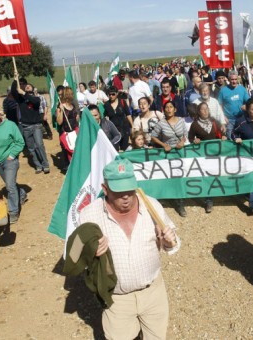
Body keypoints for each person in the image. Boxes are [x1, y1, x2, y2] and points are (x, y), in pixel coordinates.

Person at [78, 158, 180, 340]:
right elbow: (74, 254)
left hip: (153, 293)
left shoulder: (152, 206)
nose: (126, 196)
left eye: (129, 189)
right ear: (105, 189)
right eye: (119, 191)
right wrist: (90, 253)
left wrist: (169, 241)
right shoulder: (88, 215)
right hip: (117, 300)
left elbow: (172, 243)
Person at [0, 106, 27, 224]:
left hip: (10, 160)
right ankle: (22, 193)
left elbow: (20, 141)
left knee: (9, 186)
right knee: (10, 183)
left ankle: (13, 212)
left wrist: (12, 155)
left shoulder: (10, 125)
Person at [150, 101, 188, 217]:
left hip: (180, 152)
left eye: (171, 107)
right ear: (164, 110)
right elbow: (153, 137)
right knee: (169, 176)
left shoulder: (181, 121)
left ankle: (180, 203)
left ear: (175, 109)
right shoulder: (161, 124)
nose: (169, 109)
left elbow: (185, 134)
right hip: (168, 153)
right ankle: (167, 198)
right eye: (166, 107)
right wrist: (163, 145)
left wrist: (182, 142)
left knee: (180, 177)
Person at [188, 102, 226, 213]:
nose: (205, 111)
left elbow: (222, 133)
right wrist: (195, 141)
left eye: (206, 109)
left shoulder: (214, 121)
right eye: (202, 109)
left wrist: (224, 136)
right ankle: (209, 200)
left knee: (216, 175)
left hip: (216, 154)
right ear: (198, 112)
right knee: (207, 177)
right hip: (203, 156)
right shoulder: (194, 125)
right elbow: (190, 138)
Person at [12, 77, 51, 174]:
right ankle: (38, 165)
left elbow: (35, 101)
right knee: (31, 148)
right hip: (26, 127)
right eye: (26, 86)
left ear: (33, 89)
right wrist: (14, 80)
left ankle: (45, 165)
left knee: (39, 145)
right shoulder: (20, 100)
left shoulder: (36, 98)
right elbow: (13, 91)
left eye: (29, 86)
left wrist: (24, 93)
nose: (27, 86)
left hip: (36, 126)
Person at [218, 70, 250, 139]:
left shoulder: (242, 89)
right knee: (231, 138)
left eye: (235, 79)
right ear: (228, 79)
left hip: (241, 118)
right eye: (232, 79)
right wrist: (223, 116)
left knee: (243, 137)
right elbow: (219, 105)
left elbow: (249, 101)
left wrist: (246, 106)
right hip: (229, 120)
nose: (234, 81)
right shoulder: (223, 90)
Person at [56, 87, 80, 171]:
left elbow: (77, 119)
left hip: (74, 131)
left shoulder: (73, 105)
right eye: (70, 94)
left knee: (77, 151)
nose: (71, 95)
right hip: (66, 133)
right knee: (69, 152)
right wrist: (61, 111)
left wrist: (77, 116)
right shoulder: (60, 106)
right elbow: (59, 122)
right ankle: (70, 169)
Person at [104, 86, 133, 151]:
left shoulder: (122, 102)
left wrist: (132, 126)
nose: (111, 96)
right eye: (109, 94)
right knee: (115, 148)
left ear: (117, 93)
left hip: (124, 128)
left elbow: (128, 114)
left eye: (113, 94)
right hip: (114, 130)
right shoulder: (106, 105)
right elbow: (105, 117)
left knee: (125, 148)